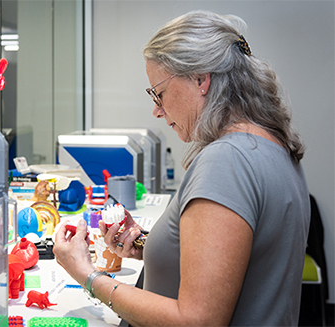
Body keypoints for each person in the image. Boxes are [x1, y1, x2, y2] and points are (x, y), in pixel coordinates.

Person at [53, 10, 310, 326]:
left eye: (159, 93)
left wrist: (87, 274)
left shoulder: (227, 161)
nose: (157, 110)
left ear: (201, 79)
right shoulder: (274, 146)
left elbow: (196, 320)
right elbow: (240, 265)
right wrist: (148, 246)